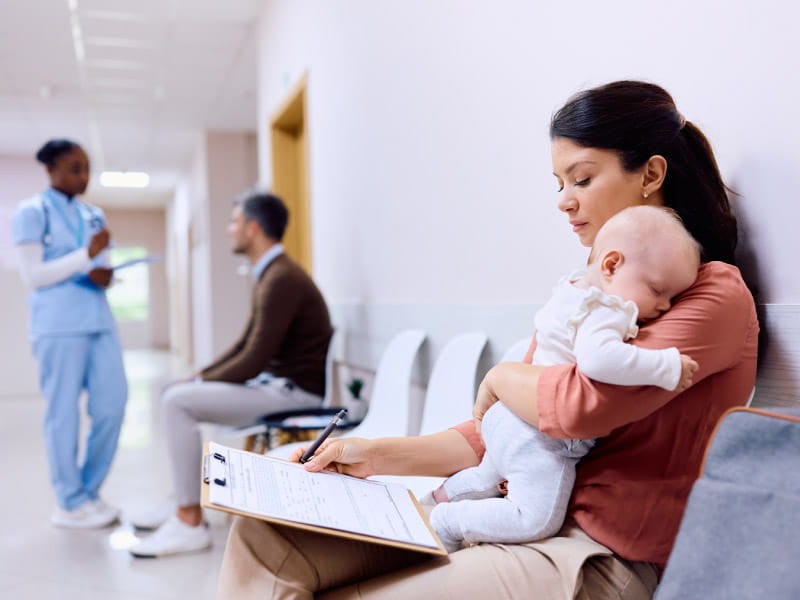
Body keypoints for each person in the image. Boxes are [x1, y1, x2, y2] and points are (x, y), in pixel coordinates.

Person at [216, 81, 759, 599]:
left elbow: (575, 408)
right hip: (511, 513)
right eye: (559, 183)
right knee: (265, 536)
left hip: (593, 556)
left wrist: (500, 377)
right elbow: (497, 432)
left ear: (651, 173)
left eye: (582, 178)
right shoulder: (588, 291)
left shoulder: (712, 295)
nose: (564, 201)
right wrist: (368, 455)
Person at [429, 205, 700, 552]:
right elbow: (598, 359)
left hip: (508, 417)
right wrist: (666, 366)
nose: (664, 306)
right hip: (541, 438)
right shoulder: (610, 309)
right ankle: (449, 521)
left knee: (486, 476)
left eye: (671, 298)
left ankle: (440, 497)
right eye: (658, 290)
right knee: (536, 519)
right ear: (612, 265)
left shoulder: (573, 289)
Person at [130, 191, 333, 558]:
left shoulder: (281, 278)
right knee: (173, 392)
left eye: (234, 222)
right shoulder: (273, 273)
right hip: (274, 386)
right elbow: (244, 345)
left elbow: (253, 359)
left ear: (253, 229)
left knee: (178, 402)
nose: (229, 230)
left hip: (293, 395)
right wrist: (199, 375)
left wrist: (196, 383)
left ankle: (189, 521)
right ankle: (181, 498)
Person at [12, 139, 128, 529]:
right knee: (62, 414)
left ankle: (89, 493)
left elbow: (98, 264)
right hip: (57, 324)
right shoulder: (31, 212)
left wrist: (105, 273)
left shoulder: (94, 214)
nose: (83, 176)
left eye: (86, 168)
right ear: (50, 169)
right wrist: (85, 256)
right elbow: (34, 275)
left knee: (112, 406)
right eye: (74, 168)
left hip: (98, 319)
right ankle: (68, 501)